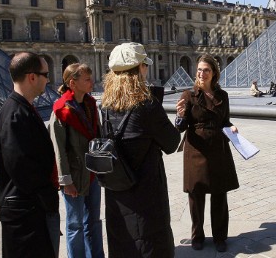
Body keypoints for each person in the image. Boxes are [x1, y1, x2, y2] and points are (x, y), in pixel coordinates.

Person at [100, 42, 180, 258]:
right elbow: (172, 143)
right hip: (146, 199)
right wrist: (178, 121)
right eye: (145, 64)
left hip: (117, 196)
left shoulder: (106, 107)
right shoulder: (147, 105)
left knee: (123, 249)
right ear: (139, 69)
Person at [0, 52, 60, 257]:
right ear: (32, 77)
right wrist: (46, 192)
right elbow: (20, 166)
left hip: (29, 208)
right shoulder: (16, 113)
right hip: (26, 211)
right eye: (45, 74)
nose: (48, 79)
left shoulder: (21, 108)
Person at [175, 54, 240, 253]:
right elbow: (180, 127)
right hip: (196, 149)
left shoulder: (223, 96)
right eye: (199, 70)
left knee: (220, 194)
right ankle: (198, 235)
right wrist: (179, 116)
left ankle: (220, 237)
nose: (202, 74)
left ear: (214, 74)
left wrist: (232, 127)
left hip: (218, 148)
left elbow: (224, 121)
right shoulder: (188, 95)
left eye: (206, 70)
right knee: (196, 196)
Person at [49, 63, 104, 258]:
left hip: (91, 173)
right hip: (73, 176)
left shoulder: (90, 104)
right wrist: (66, 180)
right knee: (75, 224)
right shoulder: (61, 111)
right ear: (73, 83)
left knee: (94, 221)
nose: (92, 82)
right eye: (87, 79)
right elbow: (59, 150)